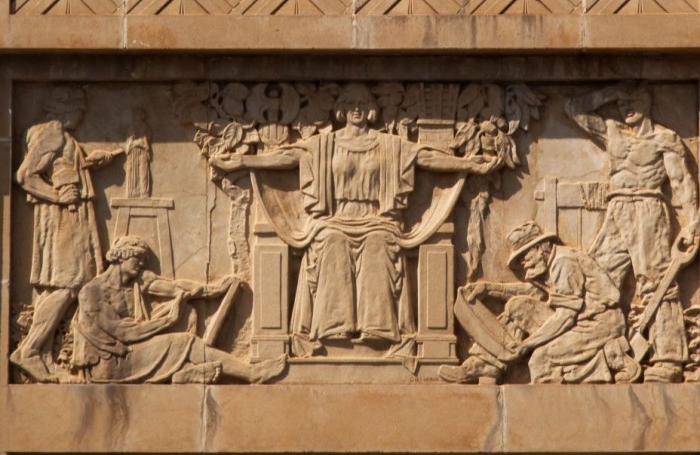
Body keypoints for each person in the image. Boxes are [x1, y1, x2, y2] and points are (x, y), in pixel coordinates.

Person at [213, 83, 488, 356]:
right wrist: (242, 162)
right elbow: (287, 156)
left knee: (379, 244)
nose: (357, 109)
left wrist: (467, 164)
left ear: (371, 110)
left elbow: (426, 158)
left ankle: (378, 329)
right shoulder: (324, 145)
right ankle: (334, 328)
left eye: (362, 104)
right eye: (351, 104)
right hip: (333, 221)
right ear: (342, 110)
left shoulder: (389, 145)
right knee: (333, 242)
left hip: (378, 221)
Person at [566, 82, 699, 382]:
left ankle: (669, 358)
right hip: (617, 208)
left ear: (648, 101)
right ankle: (601, 354)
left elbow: (681, 182)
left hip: (647, 207)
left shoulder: (665, 139)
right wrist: (611, 92)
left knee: (656, 279)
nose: (626, 106)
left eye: (633, 100)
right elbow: (573, 108)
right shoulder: (612, 131)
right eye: (622, 101)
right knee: (598, 277)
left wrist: (692, 222)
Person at [11, 86, 123, 382]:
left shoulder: (58, 134)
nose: (82, 114)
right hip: (63, 216)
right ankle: (30, 350)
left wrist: (89, 162)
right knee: (68, 284)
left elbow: (62, 166)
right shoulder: (53, 132)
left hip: (70, 214)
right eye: (79, 108)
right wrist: (58, 196)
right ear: (64, 107)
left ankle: (43, 355)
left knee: (67, 285)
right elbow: (25, 176)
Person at [439, 221, 640, 384]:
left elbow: (565, 317)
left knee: (540, 360)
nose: (523, 263)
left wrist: (527, 345)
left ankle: (608, 356)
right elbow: (535, 292)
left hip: (599, 325)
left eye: (524, 256)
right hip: (579, 320)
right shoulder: (552, 261)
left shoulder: (564, 264)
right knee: (518, 307)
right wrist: (489, 289)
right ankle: (485, 365)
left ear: (540, 248)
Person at [72, 235, 286, 384]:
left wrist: (214, 290)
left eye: (144, 260)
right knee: (185, 341)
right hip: (112, 363)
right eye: (138, 258)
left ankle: (184, 371)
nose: (142, 264)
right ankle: (251, 373)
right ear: (122, 256)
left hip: (134, 349)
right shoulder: (92, 292)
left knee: (188, 312)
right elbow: (124, 333)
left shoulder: (138, 280)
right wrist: (167, 321)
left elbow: (176, 287)